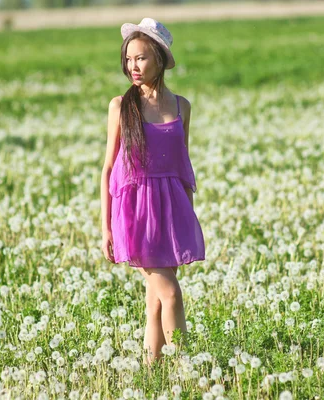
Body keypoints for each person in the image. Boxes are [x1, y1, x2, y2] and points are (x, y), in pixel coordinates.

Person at [100, 18, 205, 367]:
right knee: (171, 293)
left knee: (156, 302)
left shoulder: (181, 107)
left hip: (172, 213)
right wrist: (106, 228)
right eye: (129, 59)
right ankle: (185, 369)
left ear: (160, 58)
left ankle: (151, 372)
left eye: (141, 58)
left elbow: (183, 169)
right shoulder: (121, 106)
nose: (133, 66)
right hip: (134, 215)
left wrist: (187, 223)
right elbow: (107, 170)